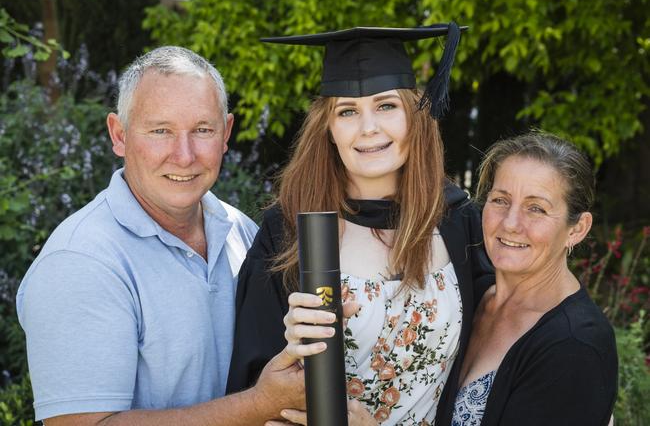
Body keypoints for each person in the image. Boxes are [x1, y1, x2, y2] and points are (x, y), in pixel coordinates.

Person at [16, 46, 305, 425]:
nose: (183, 155)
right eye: (160, 131)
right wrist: (259, 404)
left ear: (226, 134)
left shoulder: (242, 232)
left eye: (202, 130)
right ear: (118, 135)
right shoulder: (80, 261)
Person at [226, 25, 494, 425]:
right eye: (347, 111)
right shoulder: (287, 233)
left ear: (415, 115)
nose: (368, 127)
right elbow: (253, 393)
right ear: (329, 129)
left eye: (386, 106)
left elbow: (496, 354)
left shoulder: (459, 223)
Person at [438, 133, 617, 425]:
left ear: (578, 229)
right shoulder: (470, 294)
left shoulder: (576, 346)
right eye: (500, 200)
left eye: (536, 208)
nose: (510, 223)